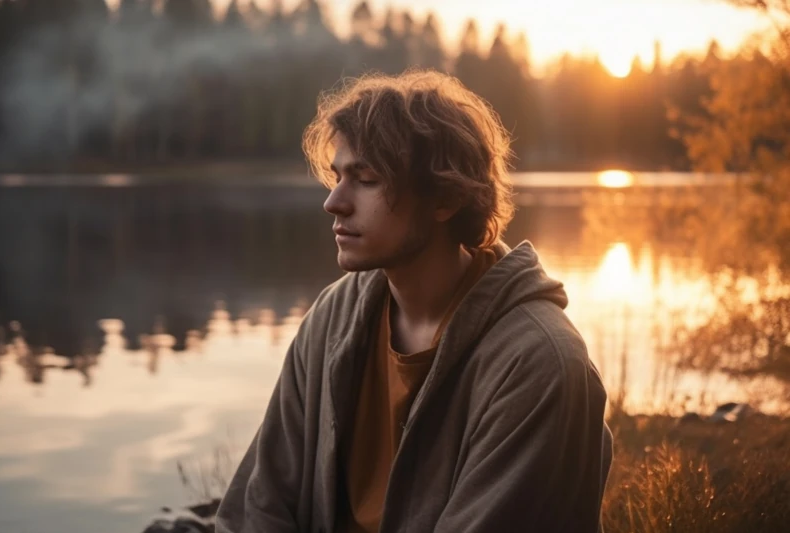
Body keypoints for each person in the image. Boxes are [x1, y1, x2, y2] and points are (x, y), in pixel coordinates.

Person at [216, 69, 613, 533]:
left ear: (444, 197)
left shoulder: (539, 364)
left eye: (365, 179)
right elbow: (259, 507)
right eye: (337, 176)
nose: (334, 202)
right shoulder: (332, 318)